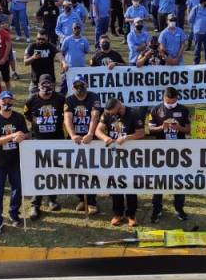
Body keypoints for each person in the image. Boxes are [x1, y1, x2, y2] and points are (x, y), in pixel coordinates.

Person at [97, 97, 146, 227]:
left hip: (130, 155)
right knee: (115, 185)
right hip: (113, 155)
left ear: (119, 106)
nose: (111, 115)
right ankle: (117, 214)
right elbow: (98, 130)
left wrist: (127, 137)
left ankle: (131, 215)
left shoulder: (134, 113)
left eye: (113, 112)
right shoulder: (107, 113)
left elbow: (141, 133)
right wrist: (105, 138)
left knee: (130, 184)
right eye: (109, 113)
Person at [147, 86, 191, 222]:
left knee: (179, 180)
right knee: (159, 180)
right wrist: (161, 127)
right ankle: (157, 209)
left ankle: (179, 209)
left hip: (179, 151)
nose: (170, 104)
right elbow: (149, 129)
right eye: (168, 101)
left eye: (173, 102)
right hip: (160, 151)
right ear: (163, 98)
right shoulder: (155, 109)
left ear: (177, 98)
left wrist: (179, 128)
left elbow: (188, 130)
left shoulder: (183, 110)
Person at [24, 74, 65, 219]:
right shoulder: (32, 99)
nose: (46, 87)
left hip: (56, 140)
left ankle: (52, 200)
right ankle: (35, 204)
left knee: (54, 171)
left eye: (49, 84)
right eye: (43, 84)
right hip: (38, 141)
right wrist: (36, 123)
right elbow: (27, 114)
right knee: (38, 172)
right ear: (38, 85)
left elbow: (65, 114)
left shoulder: (60, 98)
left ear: (53, 85)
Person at [0, 90, 30, 234]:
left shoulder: (18, 118)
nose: (6, 103)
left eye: (9, 100)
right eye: (4, 100)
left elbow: (26, 133)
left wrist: (23, 136)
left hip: (15, 161)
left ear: (12, 102)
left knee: (17, 189)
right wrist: (13, 135)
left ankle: (14, 214)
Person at [63, 74, 102, 215]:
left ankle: (91, 202)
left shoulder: (94, 97)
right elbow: (68, 119)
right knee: (75, 171)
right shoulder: (69, 100)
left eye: (82, 85)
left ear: (86, 85)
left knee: (91, 171)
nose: (79, 88)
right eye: (76, 85)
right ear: (72, 86)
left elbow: (95, 116)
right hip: (75, 140)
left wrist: (91, 133)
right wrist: (73, 135)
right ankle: (81, 199)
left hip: (91, 139)